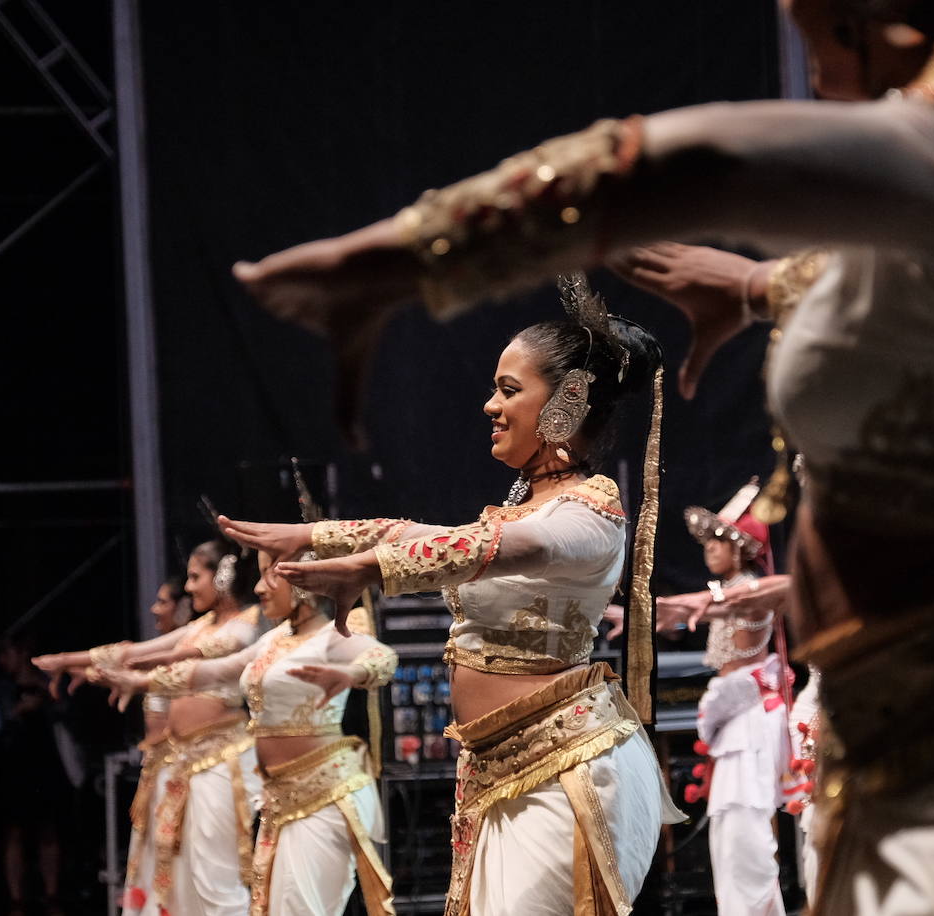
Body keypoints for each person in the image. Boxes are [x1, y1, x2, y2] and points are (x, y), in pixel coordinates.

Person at [225, 1, 934, 911]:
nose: (791, 24)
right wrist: (740, 285)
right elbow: (815, 275)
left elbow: (673, 161)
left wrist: (396, 264)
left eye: (810, 11)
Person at [222, 287, 684, 916]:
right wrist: (314, 535)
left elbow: (492, 546)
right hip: (498, 768)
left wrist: (370, 567)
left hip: (566, 766)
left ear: (568, 401)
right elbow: (433, 536)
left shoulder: (590, 513)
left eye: (509, 389)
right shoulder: (526, 507)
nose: (490, 405)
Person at [100, 550, 398, 915]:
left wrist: (351, 675)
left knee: (302, 909)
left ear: (302, 581)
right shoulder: (273, 641)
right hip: (279, 800)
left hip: (324, 796)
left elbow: (381, 658)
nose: (258, 588)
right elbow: (213, 672)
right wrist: (140, 681)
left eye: (270, 576)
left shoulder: (333, 633)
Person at [35, 541, 263, 916]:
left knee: (212, 867)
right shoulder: (202, 625)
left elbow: (174, 658)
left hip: (221, 760)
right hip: (178, 759)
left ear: (222, 578)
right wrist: (68, 661)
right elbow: (134, 650)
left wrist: (120, 672)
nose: (188, 588)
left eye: (195, 577)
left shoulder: (246, 627)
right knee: (170, 863)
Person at [662, 484, 790, 916]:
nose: (709, 549)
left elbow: (733, 608)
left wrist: (678, 605)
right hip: (733, 720)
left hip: (747, 720)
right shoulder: (731, 593)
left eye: (720, 540)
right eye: (709, 540)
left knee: (744, 833)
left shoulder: (751, 594)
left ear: (740, 548)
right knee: (730, 835)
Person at [0, 635, 74, 916]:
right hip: (14, 764)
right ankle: (17, 900)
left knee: (48, 829)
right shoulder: (2, 687)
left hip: (45, 762)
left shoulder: (46, 680)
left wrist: (43, 692)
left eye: (7, 654)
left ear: (21, 652)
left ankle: (51, 895)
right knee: (13, 830)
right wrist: (18, 711)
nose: (2, 662)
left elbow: (66, 709)